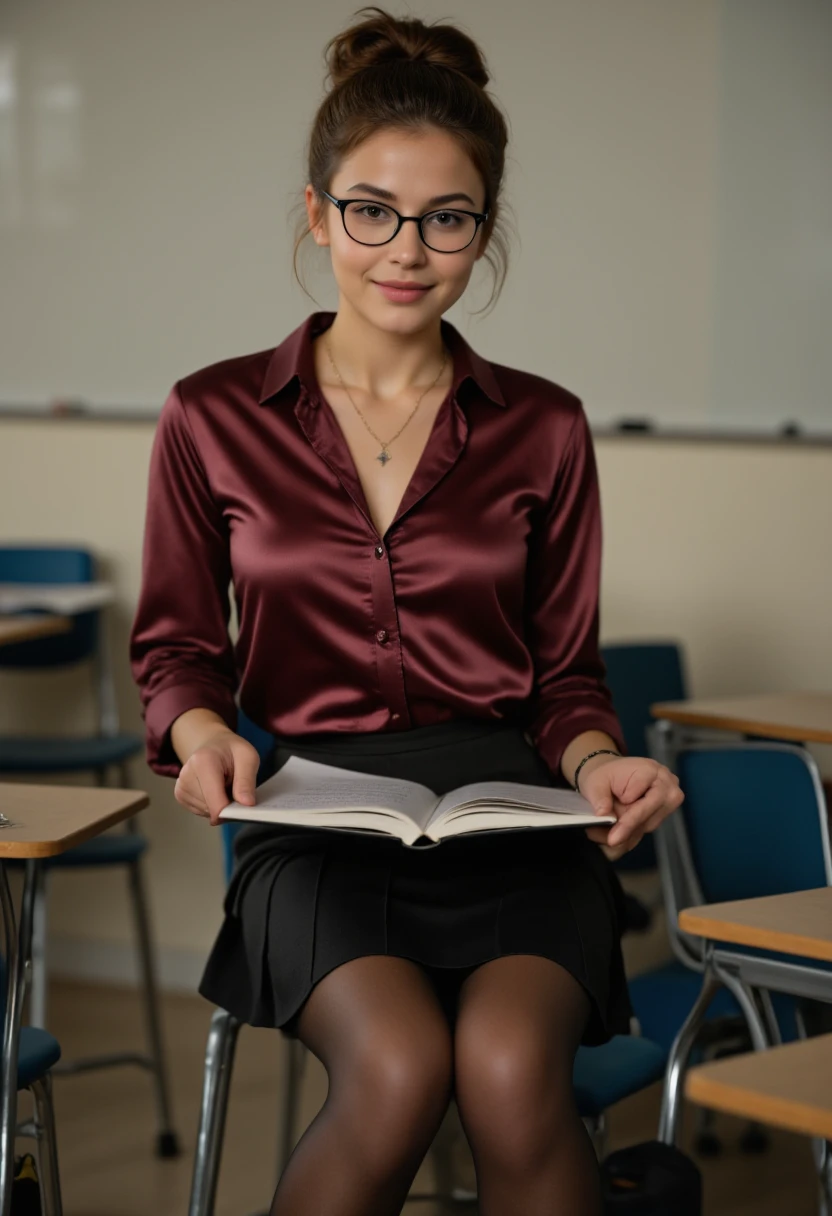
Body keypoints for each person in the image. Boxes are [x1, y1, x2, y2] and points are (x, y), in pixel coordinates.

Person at [130, 8, 684, 1214]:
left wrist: (598, 762)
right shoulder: (210, 413)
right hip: (315, 820)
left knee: (504, 1068)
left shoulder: (542, 423)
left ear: (482, 229)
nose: (407, 249)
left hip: (513, 818)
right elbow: (177, 648)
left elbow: (565, 677)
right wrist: (203, 737)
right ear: (319, 210)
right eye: (372, 209)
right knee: (395, 1068)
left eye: (449, 217)